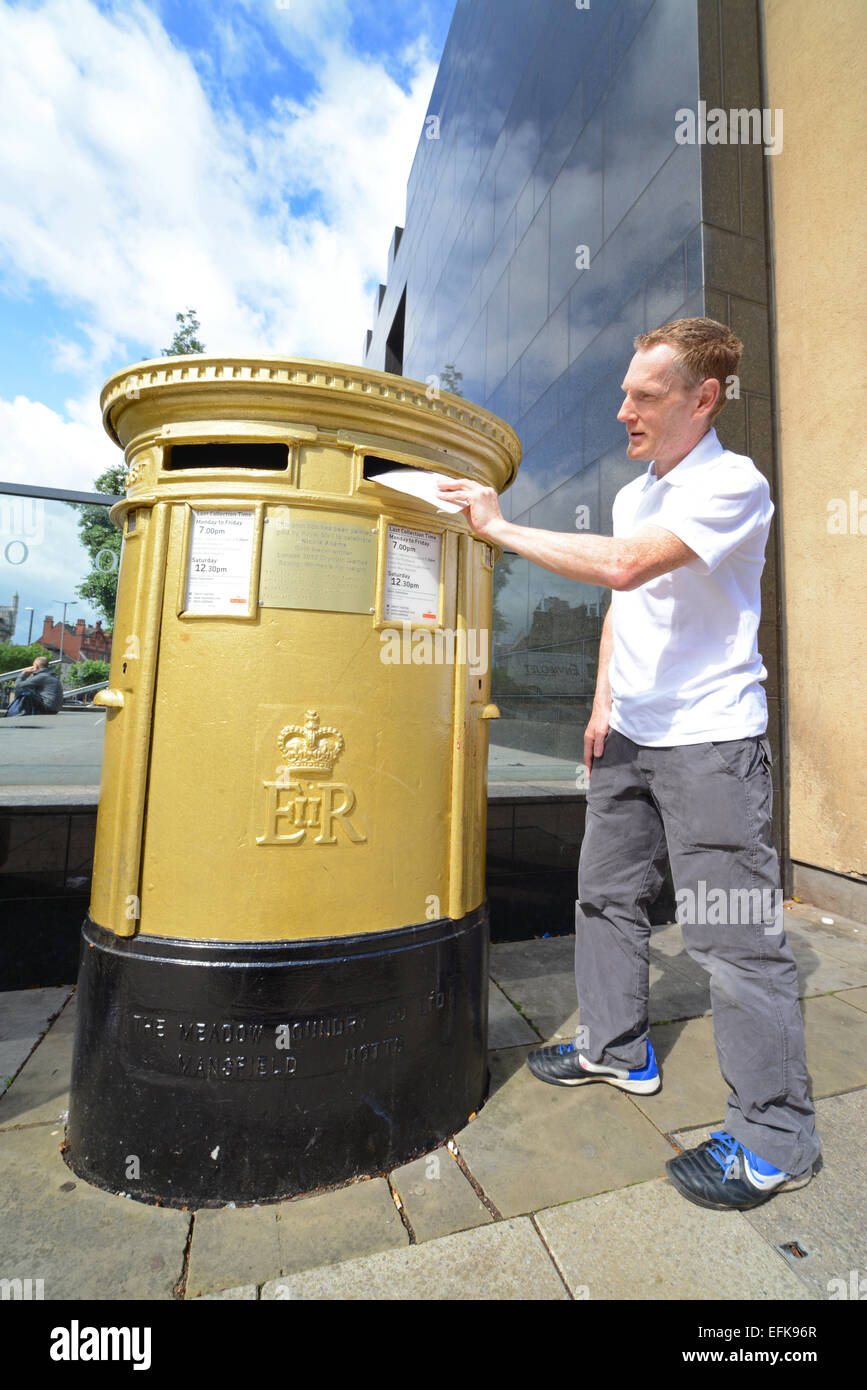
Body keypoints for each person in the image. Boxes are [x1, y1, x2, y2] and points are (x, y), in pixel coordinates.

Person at [437, 316, 820, 1211]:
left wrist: (498, 530)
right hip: (631, 737)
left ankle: (776, 1138)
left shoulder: (732, 482)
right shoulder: (631, 492)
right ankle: (616, 1049)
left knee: (734, 944)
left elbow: (623, 571)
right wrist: (603, 699)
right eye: (622, 393)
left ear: (702, 397)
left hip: (711, 746)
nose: (623, 411)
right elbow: (625, 611)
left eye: (644, 396)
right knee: (604, 897)